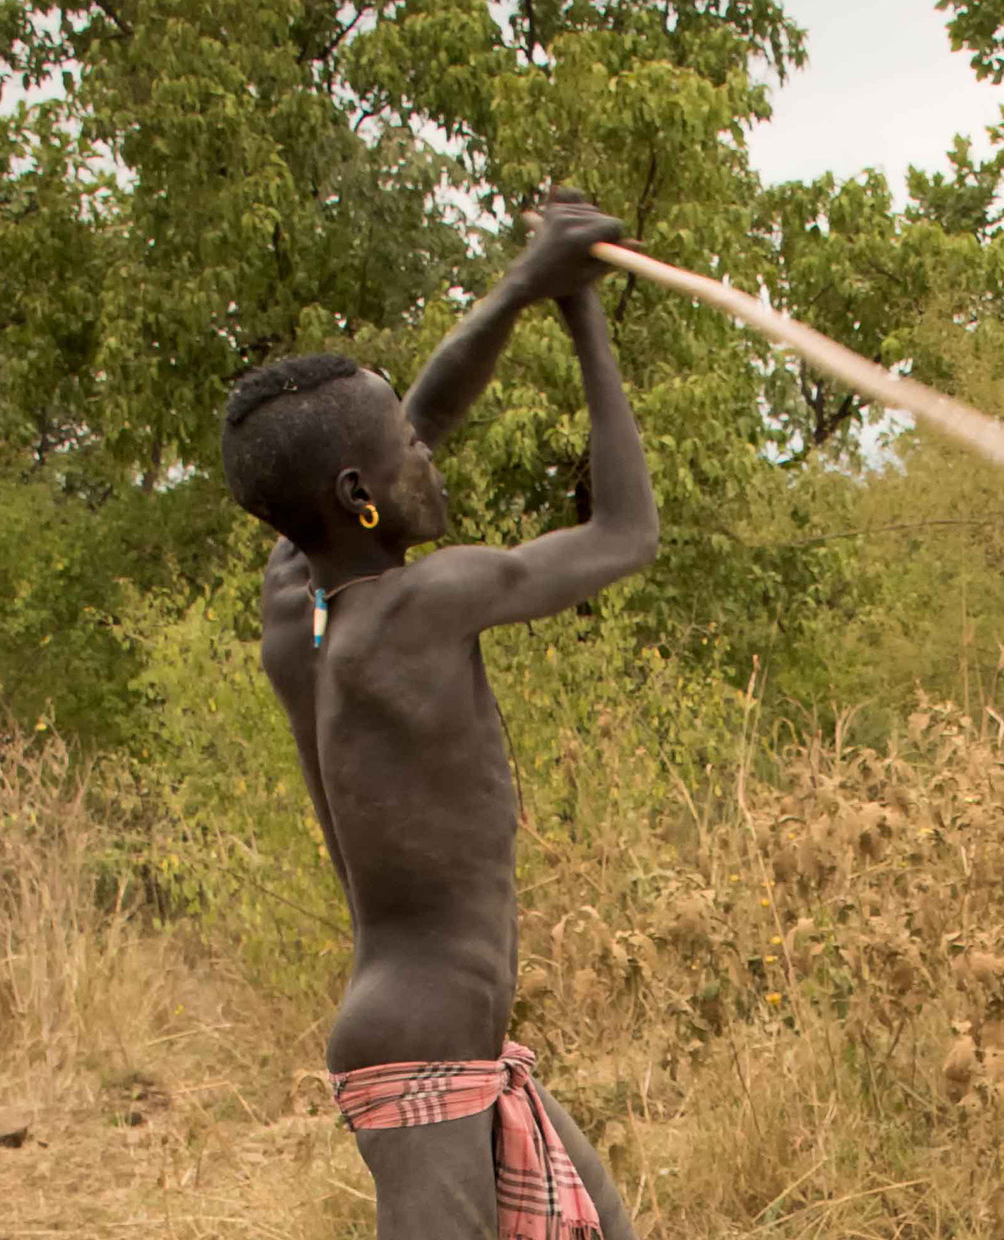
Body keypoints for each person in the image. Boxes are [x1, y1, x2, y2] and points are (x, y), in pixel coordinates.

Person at [219, 193, 652, 1240]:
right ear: (361, 493)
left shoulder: (301, 601)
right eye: (408, 451)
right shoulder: (419, 608)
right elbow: (627, 530)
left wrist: (523, 283)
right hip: (422, 1045)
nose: (432, 452)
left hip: (434, 1034)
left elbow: (418, 413)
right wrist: (581, 312)